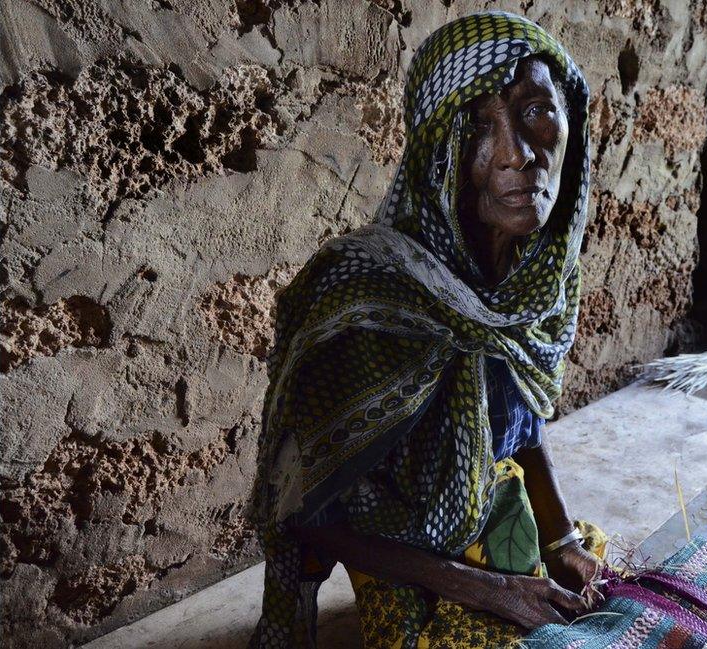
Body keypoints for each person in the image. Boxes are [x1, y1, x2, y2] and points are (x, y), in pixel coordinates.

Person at [248, 13, 607, 649]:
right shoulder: (362, 294)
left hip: (488, 509)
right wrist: (489, 589)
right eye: (477, 128)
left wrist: (562, 539)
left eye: (535, 112)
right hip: (397, 543)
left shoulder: (538, 282)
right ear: (439, 152)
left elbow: (520, 421)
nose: (517, 155)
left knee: (598, 609)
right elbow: (307, 515)